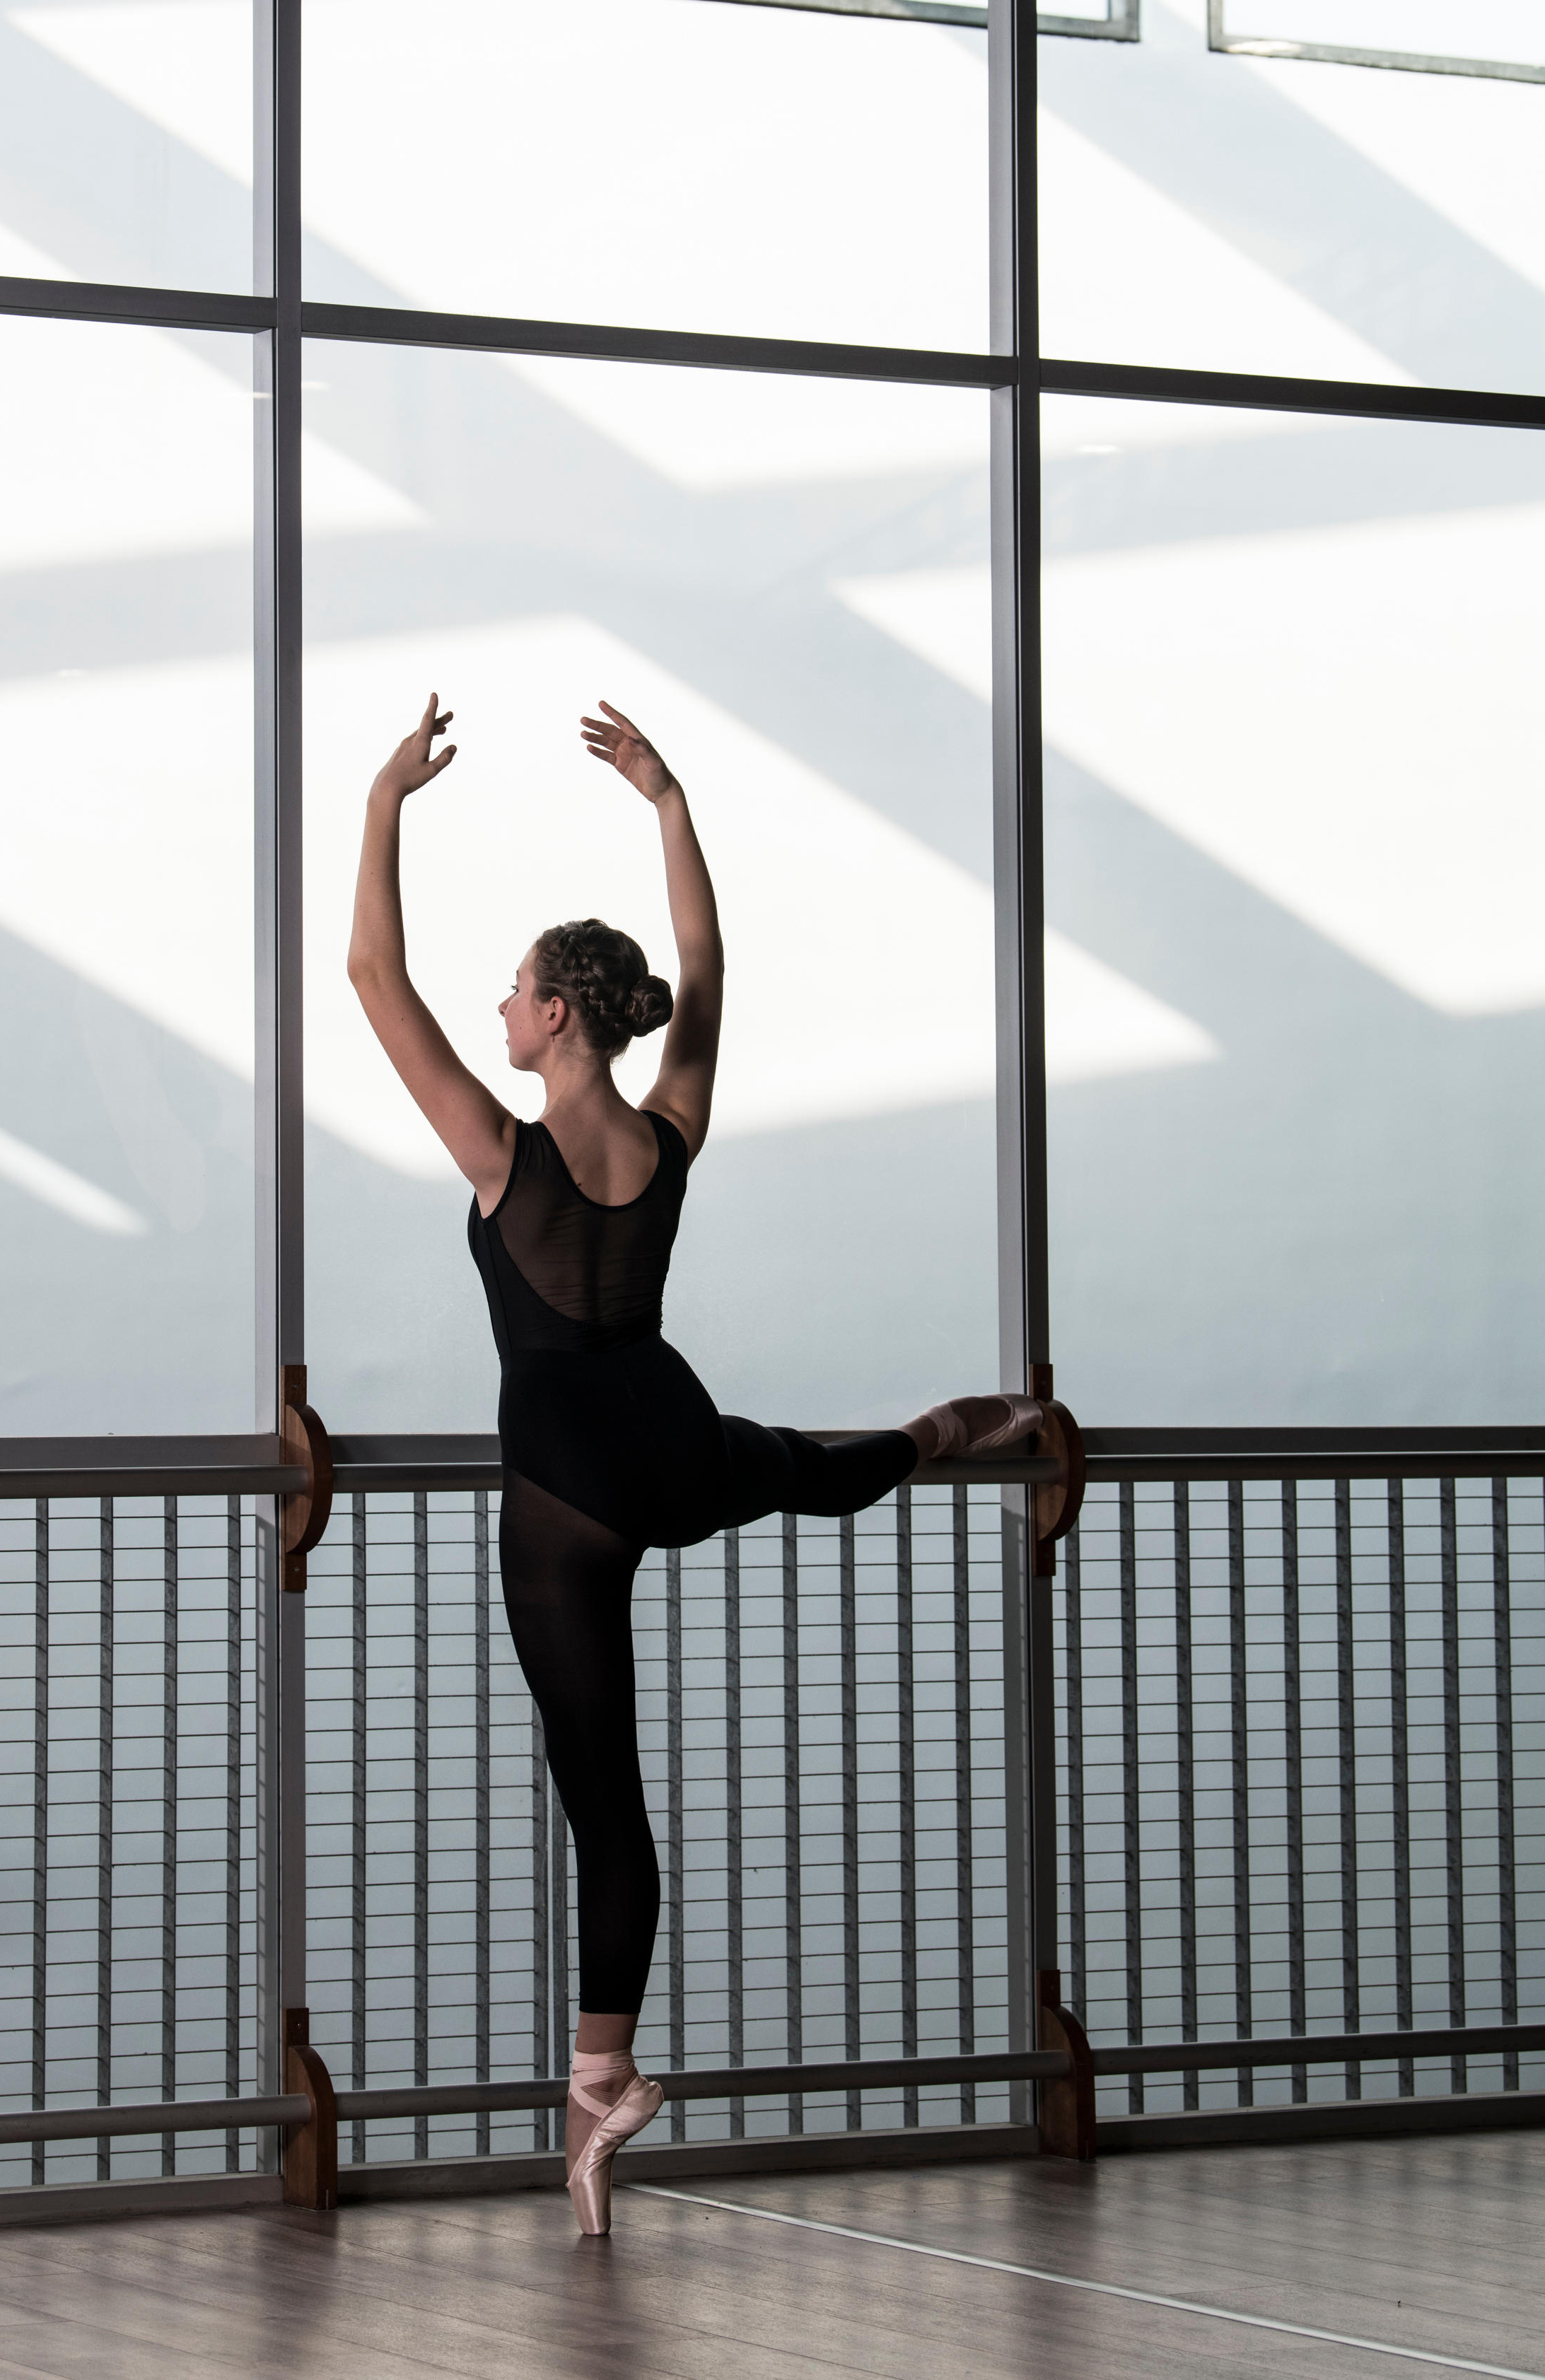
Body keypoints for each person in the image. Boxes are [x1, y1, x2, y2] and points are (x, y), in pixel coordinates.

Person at [347, 692, 1044, 2235]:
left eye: (519, 994)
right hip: (672, 1441)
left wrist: (389, 797)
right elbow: (710, 973)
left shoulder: (500, 1152)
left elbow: (368, 975)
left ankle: (603, 2086)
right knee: (795, 1464)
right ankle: (952, 1427)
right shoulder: (666, 1135)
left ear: (559, 1019)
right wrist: (666, 801)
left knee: (605, 1801)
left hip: (568, 1498)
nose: (502, 1010)